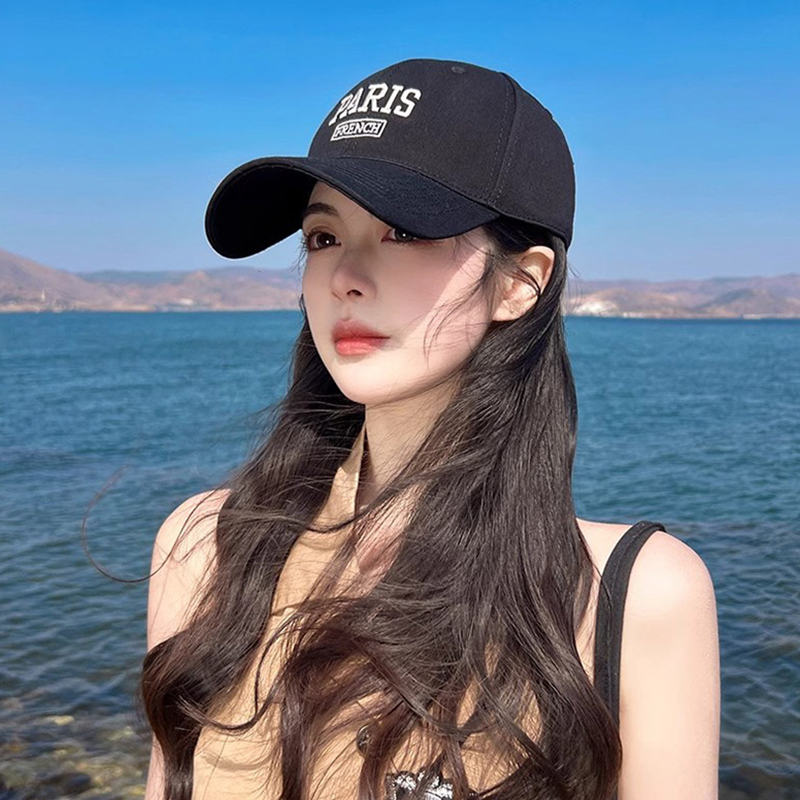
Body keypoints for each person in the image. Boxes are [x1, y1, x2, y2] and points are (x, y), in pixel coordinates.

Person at [141, 59, 720, 800]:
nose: (344, 276)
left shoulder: (633, 598)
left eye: (405, 231)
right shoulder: (206, 549)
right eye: (323, 237)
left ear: (522, 281)